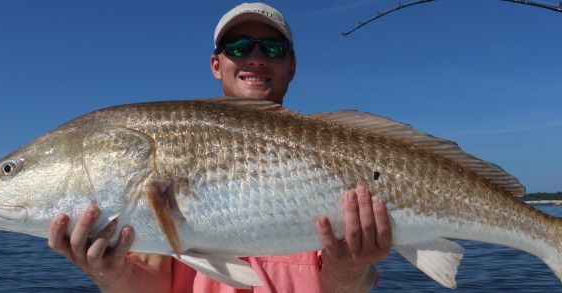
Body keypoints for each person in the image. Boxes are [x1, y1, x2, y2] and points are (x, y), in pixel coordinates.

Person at [47, 3, 392, 293]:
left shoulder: (340, 149)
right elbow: (153, 284)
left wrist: (348, 270)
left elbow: (347, 287)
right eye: (238, 47)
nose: (255, 58)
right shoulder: (171, 141)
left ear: (292, 67)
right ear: (216, 64)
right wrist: (111, 274)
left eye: (272, 48)